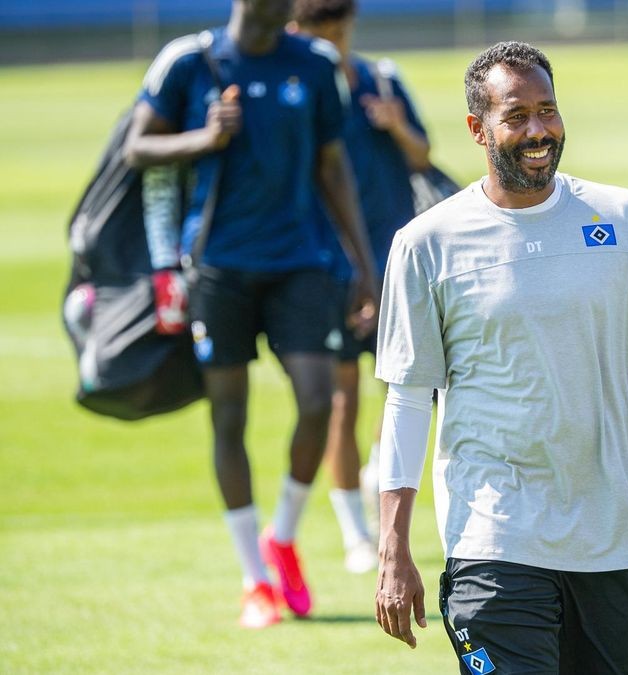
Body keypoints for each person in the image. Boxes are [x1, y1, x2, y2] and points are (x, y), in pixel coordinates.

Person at [372, 41, 628, 672]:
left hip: (613, 542)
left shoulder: (627, 219)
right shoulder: (426, 243)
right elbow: (409, 399)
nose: (538, 130)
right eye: (516, 116)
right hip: (493, 541)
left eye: (547, 110)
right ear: (477, 129)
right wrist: (394, 546)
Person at [123, 0, 378, 628]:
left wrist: (364, 261)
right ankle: (254, 580)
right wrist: (205, 139)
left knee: (319, 402)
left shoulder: (315, 64)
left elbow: (332, 165)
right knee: (229, 419)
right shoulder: (189, 60)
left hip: (301, 262)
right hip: (218, 267)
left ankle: (282, 536)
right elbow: (137, 147)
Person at [290, 0, 432, 575]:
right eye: (325, 31)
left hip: (398, 264)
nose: (337, 41)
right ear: (300, 30)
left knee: (405, 389)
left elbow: (423, 157)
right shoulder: (301, 90)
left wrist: (395, 122)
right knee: (340, 400)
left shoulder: (382, 78)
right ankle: (354, 533)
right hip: (334, 269)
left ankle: (379, 470)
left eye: (342, 29)